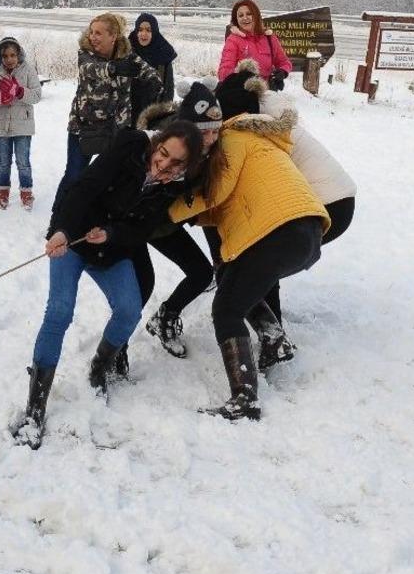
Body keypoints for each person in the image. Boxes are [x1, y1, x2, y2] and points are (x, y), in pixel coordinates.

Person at [15, 122, 204, 449]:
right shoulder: (129, 149)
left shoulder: (173, 186)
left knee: (129, 310)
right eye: (162, 154)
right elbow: (83, 188)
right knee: (59, 311)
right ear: (156, 144)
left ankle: (100, 367)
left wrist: (113, 234)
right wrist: (61, 230)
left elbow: (143, 230)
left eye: (175, 163)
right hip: (72, 239)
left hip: (111, 249)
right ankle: (35, 406)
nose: (163, 165)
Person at [169, 70, 330, 421]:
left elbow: (216, 194)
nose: (209, 138)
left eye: (211, 130)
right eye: (201, 133)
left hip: (279, 232)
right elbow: (222, 207)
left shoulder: (233, 139)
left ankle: (244, 399)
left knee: (225, 310)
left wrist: (167, 213)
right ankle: (274, 339)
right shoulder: (252, 139)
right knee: (232, 278)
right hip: (305, 232)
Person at [209, 59, 357, 370]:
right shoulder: (269, 111)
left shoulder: (257, 127)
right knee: (263, 260)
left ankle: (273, 336)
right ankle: (272, 332)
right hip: (339, 198)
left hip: (324, 201)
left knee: (257, 256)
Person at [135, 80, 221, 358]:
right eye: (207, 133)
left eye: (217, 131)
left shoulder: (207, 150)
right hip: (139, 223)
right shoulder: (164, 145)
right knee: (138, 290)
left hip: (166, 224)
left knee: (202, 273)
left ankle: (165, 317)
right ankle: (116, 349)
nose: (214, 139)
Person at [50, 13, 164, 219]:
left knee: (105, 176)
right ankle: (59, 214)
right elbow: (90, 70)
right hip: (84, 127)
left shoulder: (128, 56)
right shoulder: (85, 54)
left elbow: (148, 73)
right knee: (75, 174)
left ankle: (95, 215)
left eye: (99, 33)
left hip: (115, 129)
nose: (93, 37)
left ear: (113, 36)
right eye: (92, 32)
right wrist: (113, 68)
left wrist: (154, 83)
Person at [0, 37, 42, 211]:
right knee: (3, 161)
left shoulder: (27, 70)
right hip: (2, 125)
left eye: (13, 55)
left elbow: (37, 95)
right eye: (5, 56)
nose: (9, 59)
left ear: (19, 55)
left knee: (23, 161)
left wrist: (19, 91)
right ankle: (2, 192)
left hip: (23, 125)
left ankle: (26, 192)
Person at [217, 0, 292, 89]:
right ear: (236, 20)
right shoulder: (233, 40)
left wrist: (282, 72)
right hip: (242, 93)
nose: (245, 18)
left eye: (249, 14)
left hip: (267, 92)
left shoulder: (269, 38)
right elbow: (223, 72)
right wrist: (241, 75)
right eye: (241, 15)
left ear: (256, 15)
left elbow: (284, 62)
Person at [127, 12, 176, 123]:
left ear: (154, 31)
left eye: (148, 30)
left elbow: (168, 90)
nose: (143, 34)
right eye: (140, 30)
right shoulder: (126, 51)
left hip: (152, 116)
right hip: (127, 114)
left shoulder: (164, 53)